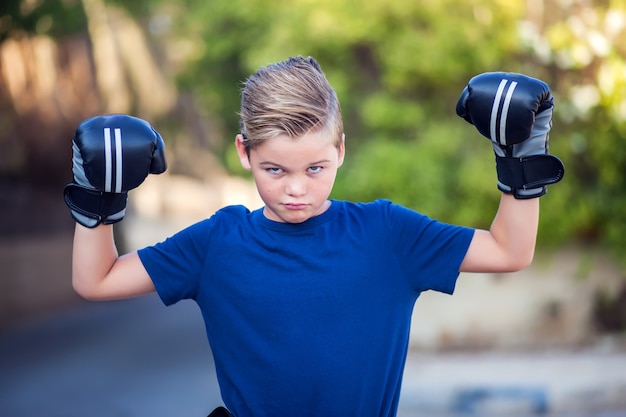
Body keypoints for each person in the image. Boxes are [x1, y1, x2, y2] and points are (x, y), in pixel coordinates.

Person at [64, 56, 564, 417]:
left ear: (341, 149)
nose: (297, 189)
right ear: (244, 152)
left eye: (316, 167)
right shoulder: (217, 243)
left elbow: (509, 250)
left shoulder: (388, 234)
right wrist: (97, 201)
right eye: (275, 169)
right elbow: (98, 280)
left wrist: (520, 161)